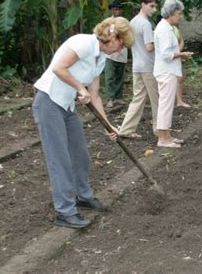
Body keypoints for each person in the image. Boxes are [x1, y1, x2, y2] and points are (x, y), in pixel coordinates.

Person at [32, 16, 134, 228]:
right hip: (49, 103)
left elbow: (94, 95)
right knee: (60, 160)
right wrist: (80, 88)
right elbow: (59, 68)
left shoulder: (101, 58)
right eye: (122, 43)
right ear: (113, 37)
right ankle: (65, 211)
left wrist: (109, 126)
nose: (121, 48)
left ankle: (83, 196)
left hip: (67, 106)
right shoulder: (83, 43)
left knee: (80, 154)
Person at [154, 0, 193, 148]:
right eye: (178, 14)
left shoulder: (167, 27)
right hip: (166, 71)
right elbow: (165, 54)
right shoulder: (163, 29)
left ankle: (167, 136)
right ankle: (163, 139)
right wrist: (181, 55)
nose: (180, 16)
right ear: (170, 14)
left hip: (168, 70)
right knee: (165, 105)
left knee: (167, 105)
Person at [118, 0, 158, 139]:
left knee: (138, 98)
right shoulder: (146, 24)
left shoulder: (133, 21)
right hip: (148, 66)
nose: (154, 10)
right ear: (143, 5)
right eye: (151, 6)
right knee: (156, 99)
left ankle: (126, 129)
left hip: (137, 65)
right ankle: (159, 129)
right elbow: (149, 47)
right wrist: (159, 43)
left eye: (155, 7)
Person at [105, 0, 128, 108]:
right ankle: (110, 98)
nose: (117, 11)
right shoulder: (107, 22)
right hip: (110, 53)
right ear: (112, 10)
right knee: (110, 76)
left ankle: (118, 97)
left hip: (122, 52)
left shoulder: (125, 22)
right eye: (115, 9)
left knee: (120, 76)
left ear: (121, 10)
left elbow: (129, 35)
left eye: (118, 9)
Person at [174, 25, 191, 108]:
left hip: (177, 56)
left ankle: (179, 100)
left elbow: (181, 40)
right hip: (168, 58)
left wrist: (178, 50)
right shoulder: (162, 29)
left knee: (180, 79)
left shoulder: (176, 29)